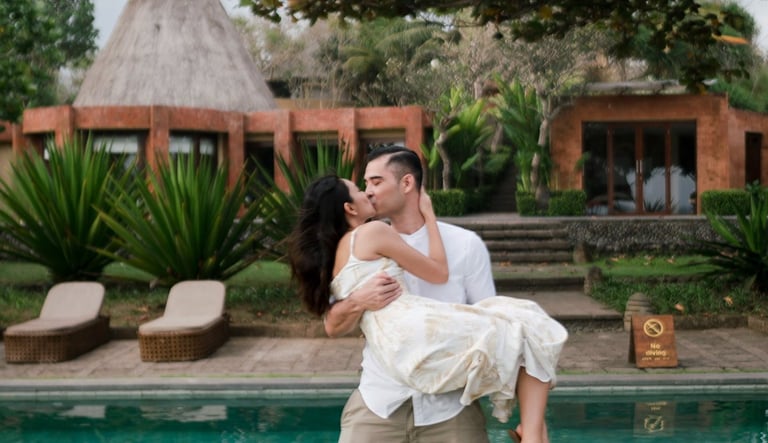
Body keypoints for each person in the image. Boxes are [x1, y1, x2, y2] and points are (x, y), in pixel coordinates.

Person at [288, 147, 567, 443]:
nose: (368, 192)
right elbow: (332, 325)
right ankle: (534, 433)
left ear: (406, 184)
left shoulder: (464, 244)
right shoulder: (371, 236)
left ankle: (533, 430)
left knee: (515, 329)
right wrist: (359, 300)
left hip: (447, 407)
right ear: (349, 208)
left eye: (375, 182)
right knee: (527, 326)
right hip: (381, 398)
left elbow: (487, 312)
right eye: (362, 186)